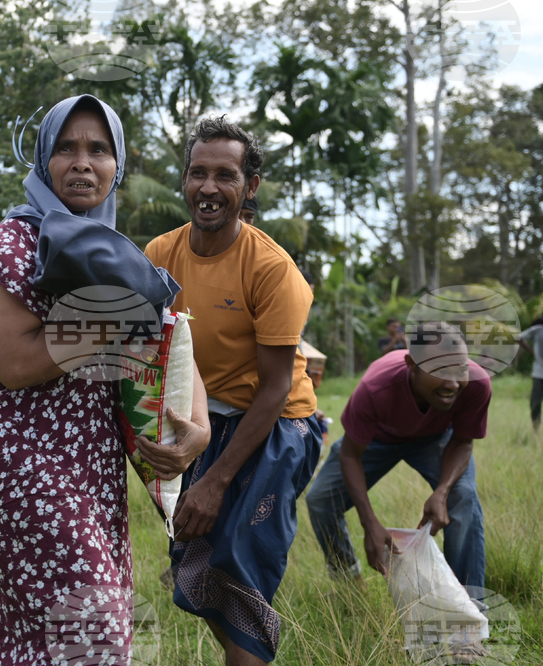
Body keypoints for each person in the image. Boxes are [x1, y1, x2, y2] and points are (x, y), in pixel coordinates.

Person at [0, 94, 209, 664]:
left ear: (117, 165)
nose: (82, 163)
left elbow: (167, 336)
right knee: (92, 626)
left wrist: (200, 426)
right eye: (66, 148)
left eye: (98, 149)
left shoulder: (112, 253)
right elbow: (14, 365)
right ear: (43, 159)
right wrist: (111, 319)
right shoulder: (15, 241)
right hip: (21, 457)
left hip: (90, 458)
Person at [143, 116, 321, 665]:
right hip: (199, 422)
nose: (209, 187)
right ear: (184, 179)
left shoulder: (272, 269)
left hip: (276, 427)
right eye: (198, 172)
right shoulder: (159, 255)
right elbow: (149, 358)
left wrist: (215, 482)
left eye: (226, 175)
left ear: (250, 186)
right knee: (198, 563)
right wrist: (157, 464)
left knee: (241, 570)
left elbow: (274, 389)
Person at [305, 322, 490, 591]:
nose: (452, 383)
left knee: (463, 497)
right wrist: (369, 523)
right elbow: (350, 455)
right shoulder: (375, 387)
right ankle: (350, 584)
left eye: (460, 368)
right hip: (378, 439)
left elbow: (463, 441)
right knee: (320, 499)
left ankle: (469, 602)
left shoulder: (476, 384)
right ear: (412, 364)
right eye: (439, 370)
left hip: (436, 438)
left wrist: (442, 491)